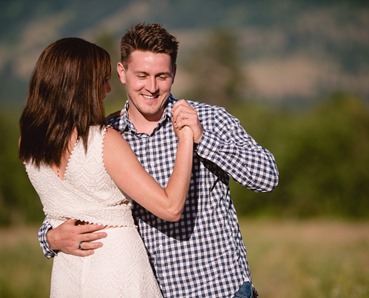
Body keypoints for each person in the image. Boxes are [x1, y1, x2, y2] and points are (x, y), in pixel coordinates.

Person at [39, 23, 279, 297]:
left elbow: (267, 177)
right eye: (142, 75)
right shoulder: (105, 136)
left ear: (174, 73)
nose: (151, 87)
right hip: (153, 290)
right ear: (122, 73)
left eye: (161, 76)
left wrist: (202, 139)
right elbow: (76, 202)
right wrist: (48, 238)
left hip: (222, 289)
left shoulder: (209, 119)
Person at [19, 37, 195, 297]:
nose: (108, 89)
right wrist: (186, 138)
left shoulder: (28, 143)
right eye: (102, 80)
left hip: (68, 270)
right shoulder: (103, 140)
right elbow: (170, 207)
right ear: (81, 86)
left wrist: (50, 239)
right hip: (117, 268)